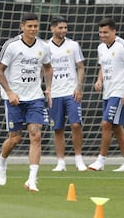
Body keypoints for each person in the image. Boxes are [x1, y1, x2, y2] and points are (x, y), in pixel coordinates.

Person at [0, 12, 53, 192]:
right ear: (22, 27)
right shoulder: (11, 46)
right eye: (29, 26)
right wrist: (10, 92)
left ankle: (32, 180)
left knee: (36, 136)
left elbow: (48, 67)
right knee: (15, 138)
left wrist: (48, 88)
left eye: (35, 26)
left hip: (35, 97)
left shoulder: (43, 46)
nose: (33, 29)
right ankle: (2, 162)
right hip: (14, 99)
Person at [88, 17, 124, 172]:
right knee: (116, 127)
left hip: (119, 92)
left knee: (106, 124)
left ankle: (100, 160)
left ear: (114, 31)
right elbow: (103, 66)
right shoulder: (101, 48)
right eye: (100, 32)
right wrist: (99, 80)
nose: (103, 35)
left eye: (106, 32)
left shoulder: (123, 46)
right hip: (108, 93)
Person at [47, 16, 87, 172]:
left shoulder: (73, 45)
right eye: (60, 28)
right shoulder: (46, 47)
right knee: (58, 128)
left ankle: (79, 159)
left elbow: (81, 67)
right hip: (55, 93)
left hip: (71, 92)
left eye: (65, 28)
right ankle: (61, 162)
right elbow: (44, 69)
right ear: (52, 29)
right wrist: (48, 88)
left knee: (76, 124)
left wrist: (79, 87)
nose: (63, 30)